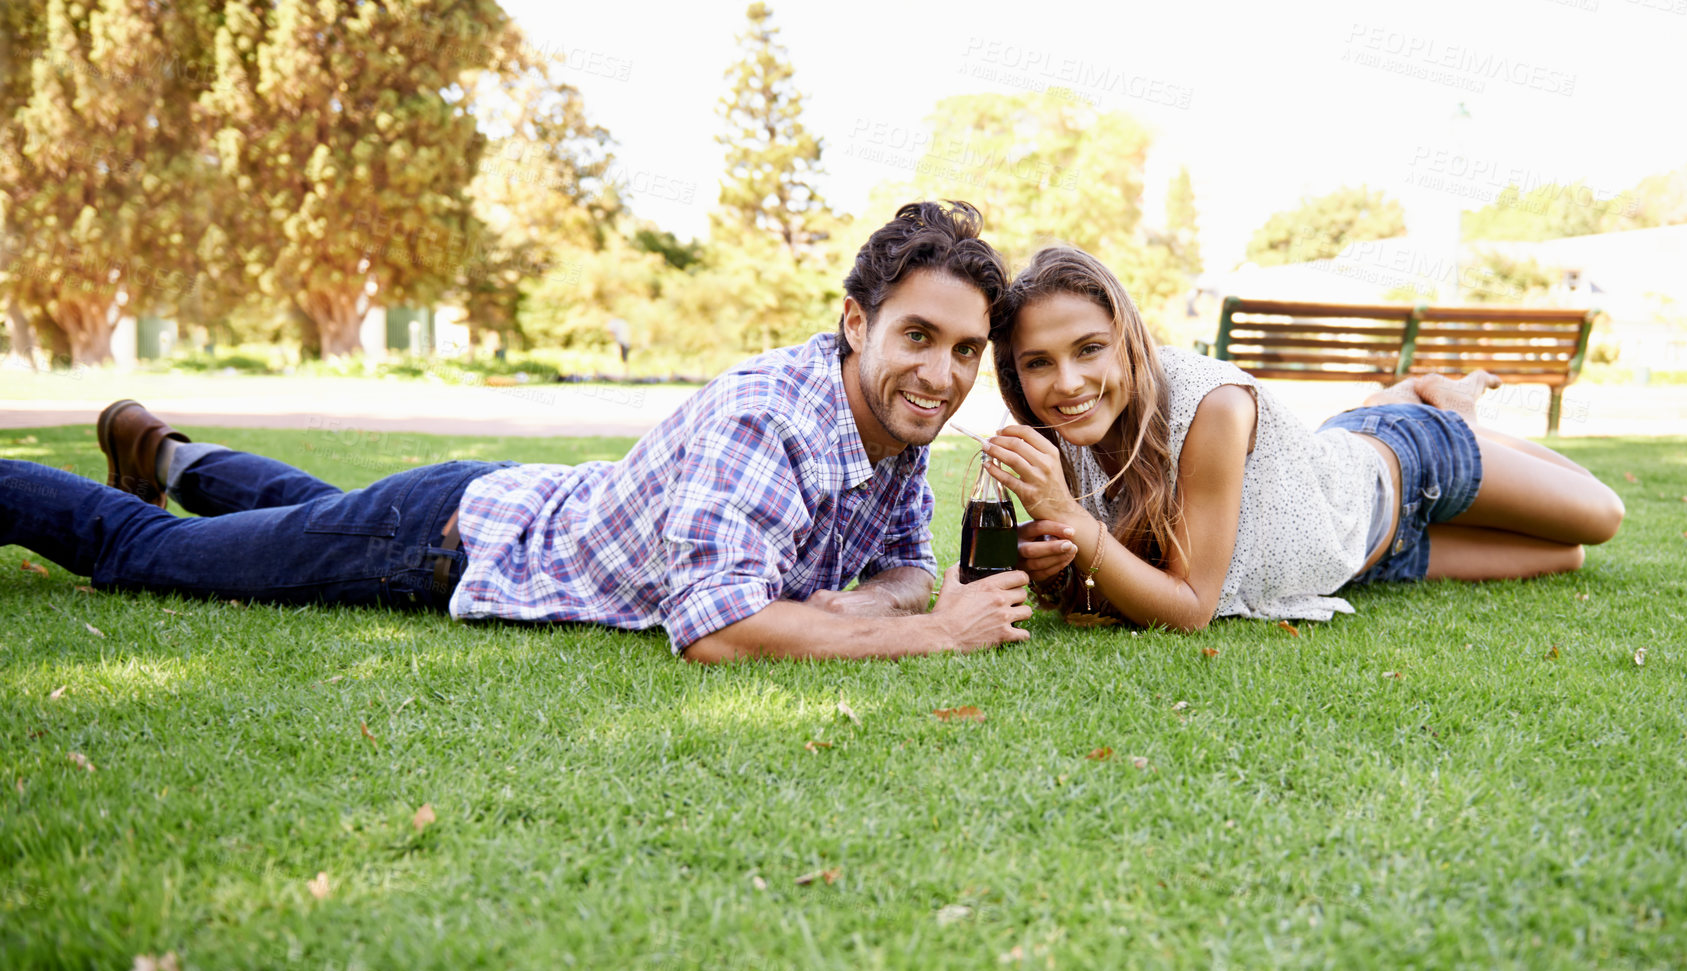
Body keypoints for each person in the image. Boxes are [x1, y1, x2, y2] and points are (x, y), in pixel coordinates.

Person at [0, 202, 1034, 661]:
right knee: (154, 554)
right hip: (444, 545)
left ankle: (168, 455)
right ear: (855, 324)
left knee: (311, 513)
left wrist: (861, 606)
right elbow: (719, 631)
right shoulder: (773, 413)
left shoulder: (896, 429)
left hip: (504, 499)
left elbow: (901, 564)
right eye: (918, 336)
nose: (941, 375)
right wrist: (930, 631)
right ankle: (119, 486)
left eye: (963, 350)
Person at [976, 245, 1625, 630]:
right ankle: (1390, 403)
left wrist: (1070, 521)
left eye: (1090, 348)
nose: (1067, 381)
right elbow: (1114, 580)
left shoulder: (1213, 405)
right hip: (1364, 557)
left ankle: (1447, 412)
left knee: (1602, 518)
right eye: (1039, 362)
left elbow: (1192, 607)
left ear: (1130, 342)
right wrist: (1055, 568)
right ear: (1015, 372)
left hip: (1407, 466)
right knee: (1565, 557)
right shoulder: (1056, 442)